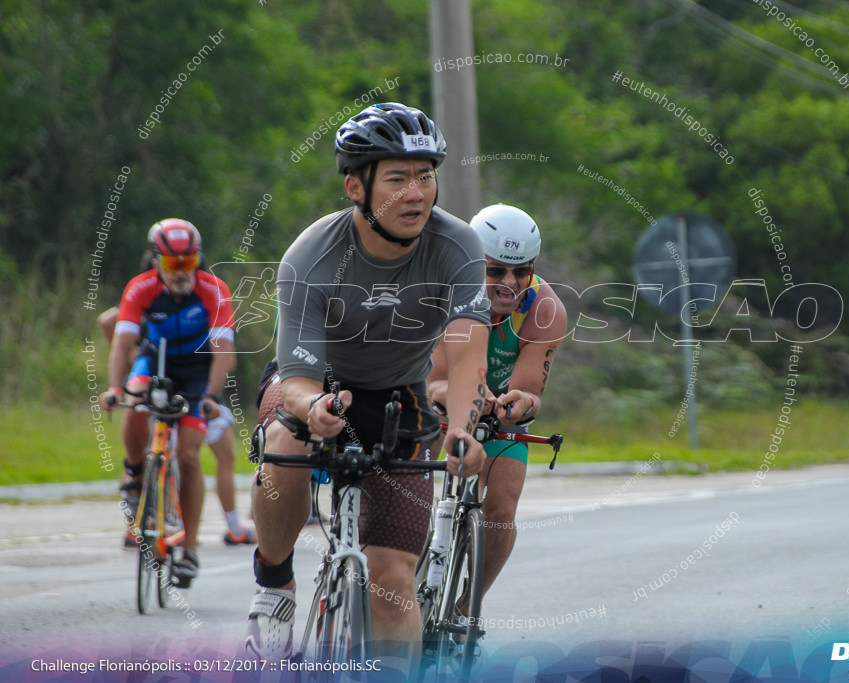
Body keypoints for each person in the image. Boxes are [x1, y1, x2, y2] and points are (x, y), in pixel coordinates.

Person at [244, 102, 490, 672]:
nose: (416, 193)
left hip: (397, 393)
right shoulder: (312, 255)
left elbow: (465, 356)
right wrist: (317, 408)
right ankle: (274, 586)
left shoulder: (457, 248)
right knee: (286, 440)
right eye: (398, 178)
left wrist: (460, 431)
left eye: (425, 176)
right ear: (356, 186)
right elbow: (299, 380)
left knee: (393, 581)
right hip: (315, 383)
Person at [426, 203, 567, 617]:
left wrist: (518, 403)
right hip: (440, 402)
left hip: (496, 414)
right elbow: (433, 381)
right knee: (406, 487)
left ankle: (465, 610)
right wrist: (460, 398)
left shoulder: (544, 309)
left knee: (502, 508)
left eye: (521, 271)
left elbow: (529, 395)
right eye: (495, 271)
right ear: (473, 264)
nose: (509, 283)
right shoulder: (445, 294)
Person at [100, 219, 237, 587]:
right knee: (134, 396)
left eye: (189, 263)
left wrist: (210, 397)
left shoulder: (214, 289)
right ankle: (133, 472)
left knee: (189, 456)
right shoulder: (141, 287)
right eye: (174, 264)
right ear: (156, 260)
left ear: (198, 259)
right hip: (155, 358)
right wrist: (115, 388)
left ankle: (189, 550)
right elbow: (122, 342)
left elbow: (225, 352)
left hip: (196, 370)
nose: (181, 272)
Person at [98, 305, 257, 547]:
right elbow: (230, 360)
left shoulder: (174, 303)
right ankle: (227, 527)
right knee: (173, 456)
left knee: (156, 454)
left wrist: (126, 358)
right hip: (170, 388)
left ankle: (137, 528)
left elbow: (107, 320)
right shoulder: (168, 303)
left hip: (172, 388)